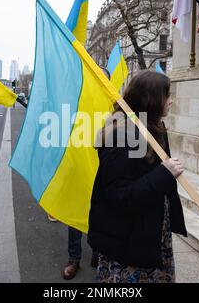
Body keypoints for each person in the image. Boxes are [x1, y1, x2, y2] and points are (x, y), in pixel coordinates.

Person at [88, 71, 188, 284]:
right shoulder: (122, 136)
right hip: (126, 242)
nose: (171, 100)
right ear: (151, 99)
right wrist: (164, 174)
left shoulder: (154, 128)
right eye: (166, 94)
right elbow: (119, 196)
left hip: (148, 234)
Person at [62, 67, 111, 281]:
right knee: (75, 215)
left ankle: (98, 253)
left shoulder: (114, 110)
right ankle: (74, 258)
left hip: (102, 173)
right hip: (78, 171)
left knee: (100, 215)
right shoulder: (75, 107)